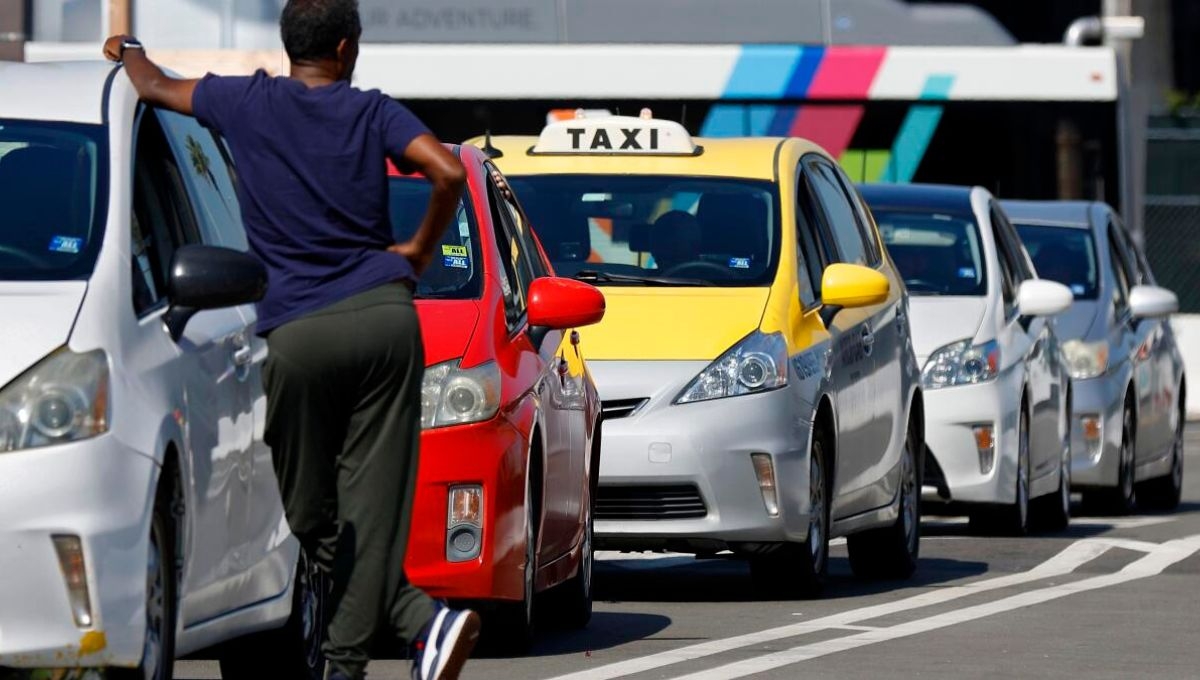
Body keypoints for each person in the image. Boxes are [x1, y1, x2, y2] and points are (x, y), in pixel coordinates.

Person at [102, 1, 478, 678]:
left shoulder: (246, 102)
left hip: (299, 333)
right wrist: (419, 250)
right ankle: (420, 620)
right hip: (384, 322)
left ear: (289, 47)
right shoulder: (373, 112)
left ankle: (348, 663)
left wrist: (128, 47)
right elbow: (448, 172)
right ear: (343, 48)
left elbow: (154, 84)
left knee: (309, 513)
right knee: (371, 509)